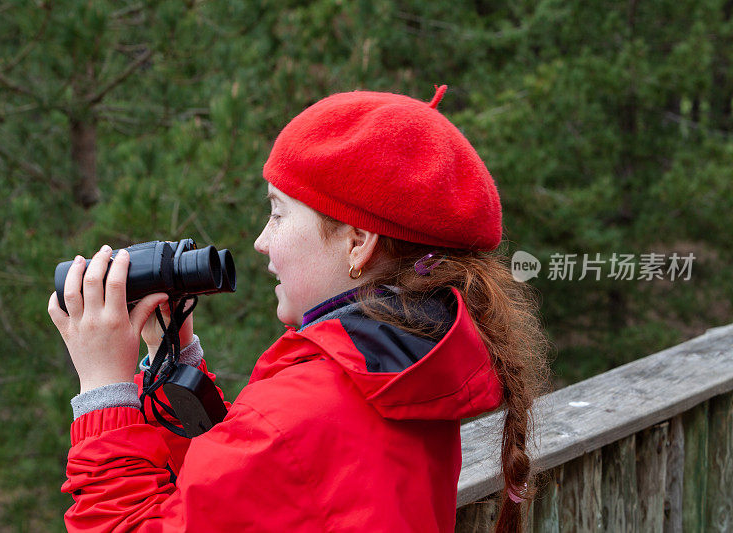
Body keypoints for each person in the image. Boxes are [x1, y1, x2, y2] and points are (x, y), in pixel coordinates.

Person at [48, 85, 549, 532]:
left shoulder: (303, 409)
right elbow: (236, 494)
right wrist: (172, 362)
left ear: (357, 240)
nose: (262, 241)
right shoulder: (404, 368)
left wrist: (103, 390)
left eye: (278, 212)